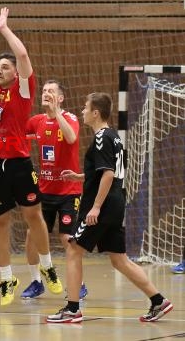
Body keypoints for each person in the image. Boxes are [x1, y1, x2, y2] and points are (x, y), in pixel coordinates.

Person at [0, 0, 62, 306]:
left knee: (34, 215)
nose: (0, 69)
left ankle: (47, 268)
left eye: (5, 67)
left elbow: (21, 53)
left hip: (19, 162)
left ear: (14, 72)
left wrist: (4, 28)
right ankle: (7, 278)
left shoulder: (23, 89)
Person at [47, 92, 173, 323]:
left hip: (102, 205)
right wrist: (80, 176)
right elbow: (107, 171)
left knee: (74, 249)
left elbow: (108, 173)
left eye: (85, 107)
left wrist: (95, 207)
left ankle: (72, 309)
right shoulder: (114, 137)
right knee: (119, 259)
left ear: (96, 113)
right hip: (115, 203)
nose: (83, 111)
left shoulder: (101, 138)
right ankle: (158, 301)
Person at [21, 80, 87, 299]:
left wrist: (56, 112)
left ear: (60, 98)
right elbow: (16, 130)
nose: (46, 94)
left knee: (67, 236)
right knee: (32, 235)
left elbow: (71, 137)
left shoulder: (70, 118)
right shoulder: (36, 121)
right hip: (45, 189)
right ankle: (36, 282)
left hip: (69, 190)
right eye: (44, 91)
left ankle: (80, 283)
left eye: (51, 91)